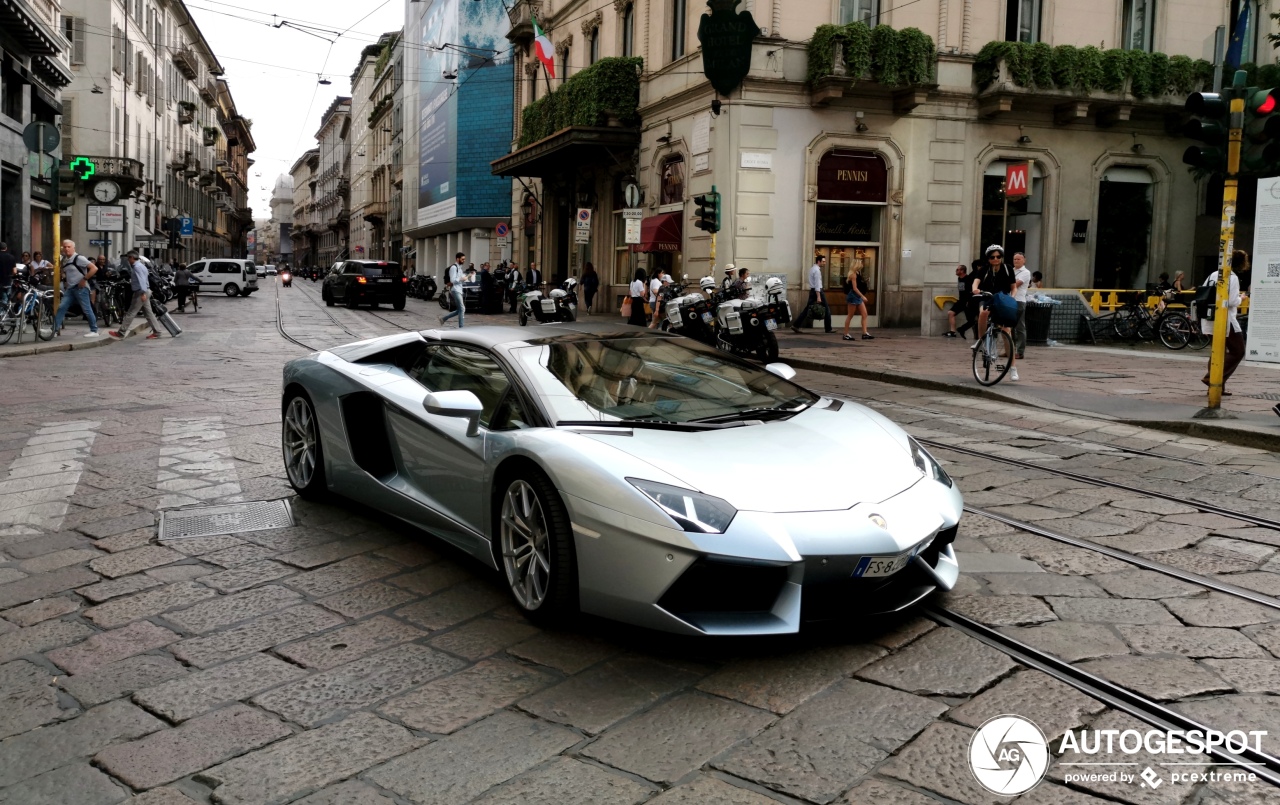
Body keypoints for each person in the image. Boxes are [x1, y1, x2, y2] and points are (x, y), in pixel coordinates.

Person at [1201, 250, 1249, 395]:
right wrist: (1242, 298)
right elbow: (1232, 301)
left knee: (1218, 351)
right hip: (1225, 319)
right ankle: (1212, 379)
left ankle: (1216, 387)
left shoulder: (1214, 274)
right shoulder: (1232, 277)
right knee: (1238, 351)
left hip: (1209, 317)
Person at [971, 244, 1018, 379]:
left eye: (998, 256)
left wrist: (1012, 298)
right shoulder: (985, 269)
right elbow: (976, 282)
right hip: (987, 298)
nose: (996, 259)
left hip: (1003, 300)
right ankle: (981, 340)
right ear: (988, 258)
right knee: (983, 312)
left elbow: (1013, 288)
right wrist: (975, 289)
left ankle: (1013, 368)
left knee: (1006, 332)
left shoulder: (1008, 269)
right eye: (993, 257)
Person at [110, 250, 167, 339]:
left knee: (131, 312)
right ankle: (157, 332)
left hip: (140, 292)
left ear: (132, 258)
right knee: (149, 313)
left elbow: (142, 280)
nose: (128, 260)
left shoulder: (137, 267)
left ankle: (121, 332)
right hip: (144, 291)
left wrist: (142, 292)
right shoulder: (142, 266)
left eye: (128, 258)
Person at [52, 240, 98, 338]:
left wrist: (84, 279)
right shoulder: (65, 259)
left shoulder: (79, 258)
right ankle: (54, 330)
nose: (66, 249)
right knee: (61, 307)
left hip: (80, 288)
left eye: (68, 247)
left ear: (73, 248)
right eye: (64, 247)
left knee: (86, 309)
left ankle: (94, 330)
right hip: (70, 288)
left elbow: (94, 268)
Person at [791, 255, 833, 334]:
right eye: (823, 261)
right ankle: (828, 328)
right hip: (818, 291)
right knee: (827, 308)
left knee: (807, 309)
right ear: (818, 261)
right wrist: (819, 296)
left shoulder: (812, 269)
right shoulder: (817, 271)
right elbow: (817, 284)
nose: (825, 263)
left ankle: (796, 325)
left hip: (813, 291)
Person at [842, 264, 872, 341]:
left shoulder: (858, 273)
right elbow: (855, 288)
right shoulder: (853, 274)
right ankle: (845, 334)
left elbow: (859, 285)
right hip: (853, 296)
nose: (862, 265)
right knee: (850, 315)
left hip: (857, 296)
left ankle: (865, 333)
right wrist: (862, 296)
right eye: (860, 264)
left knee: (864, 314)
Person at [1012, 252, 1032, 361]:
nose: (1016, 261)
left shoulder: (1025, 272)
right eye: (1015, 259)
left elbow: (1015, 284)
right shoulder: (1011, 271)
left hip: (1019, 300)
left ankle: (1020, 351)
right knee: (1008, 327)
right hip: (1010, 300)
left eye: (1018, 259)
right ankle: (1009, 349)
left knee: (1019, 327)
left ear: (1024, 260)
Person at [440, 252, 467, 328]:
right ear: (457, 259)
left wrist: (467, 277)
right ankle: (461, 327)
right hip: (455, 290)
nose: (464, 261)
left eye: (464, 259)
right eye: (462, 259)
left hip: (459, 290)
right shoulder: (454, 268)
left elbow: (460, 279)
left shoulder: (460, 268)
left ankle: (443, 319)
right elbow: (452, 280)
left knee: (460, 309)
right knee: (462, 308)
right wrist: (462, 278)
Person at [945, 265, 971, 338]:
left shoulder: (968, 279)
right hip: (961, 301)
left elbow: (970, 291)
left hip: (967, 301)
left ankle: (962, 329)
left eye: (957, 270)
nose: (956, 271)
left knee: (971, 320)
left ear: (962, 271)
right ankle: (953, 332)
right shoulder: (959, 278)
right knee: (950, 313)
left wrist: (969, 301)